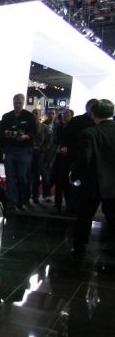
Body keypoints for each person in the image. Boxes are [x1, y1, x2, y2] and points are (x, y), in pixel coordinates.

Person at [70, 99, 115, 255]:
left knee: (84, 216)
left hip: (93, 182)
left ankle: (79, 246)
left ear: (93, 114)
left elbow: (84, 160)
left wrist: (74, 176)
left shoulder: (89, 133)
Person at [1, 93, 36, 212]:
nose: (17, 105)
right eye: (15, 103)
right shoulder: (6, 116)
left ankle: (22, 199)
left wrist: (25, 136)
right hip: (10, 148)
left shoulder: (29, 116)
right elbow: (1, 132)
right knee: (9, 177)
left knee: (22, 176)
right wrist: (7, 135)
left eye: (20, 103)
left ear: (23, 103)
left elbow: (33, 134)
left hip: (24, 150)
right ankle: (12, 201)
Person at [66, 98, 99, 214]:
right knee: (79, 185)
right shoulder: (94, 124)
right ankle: (77, 209)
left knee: (76, 185)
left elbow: (67, 139)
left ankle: (73, 208)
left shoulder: (76, 121)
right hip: (82, 160)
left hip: (78, 159)